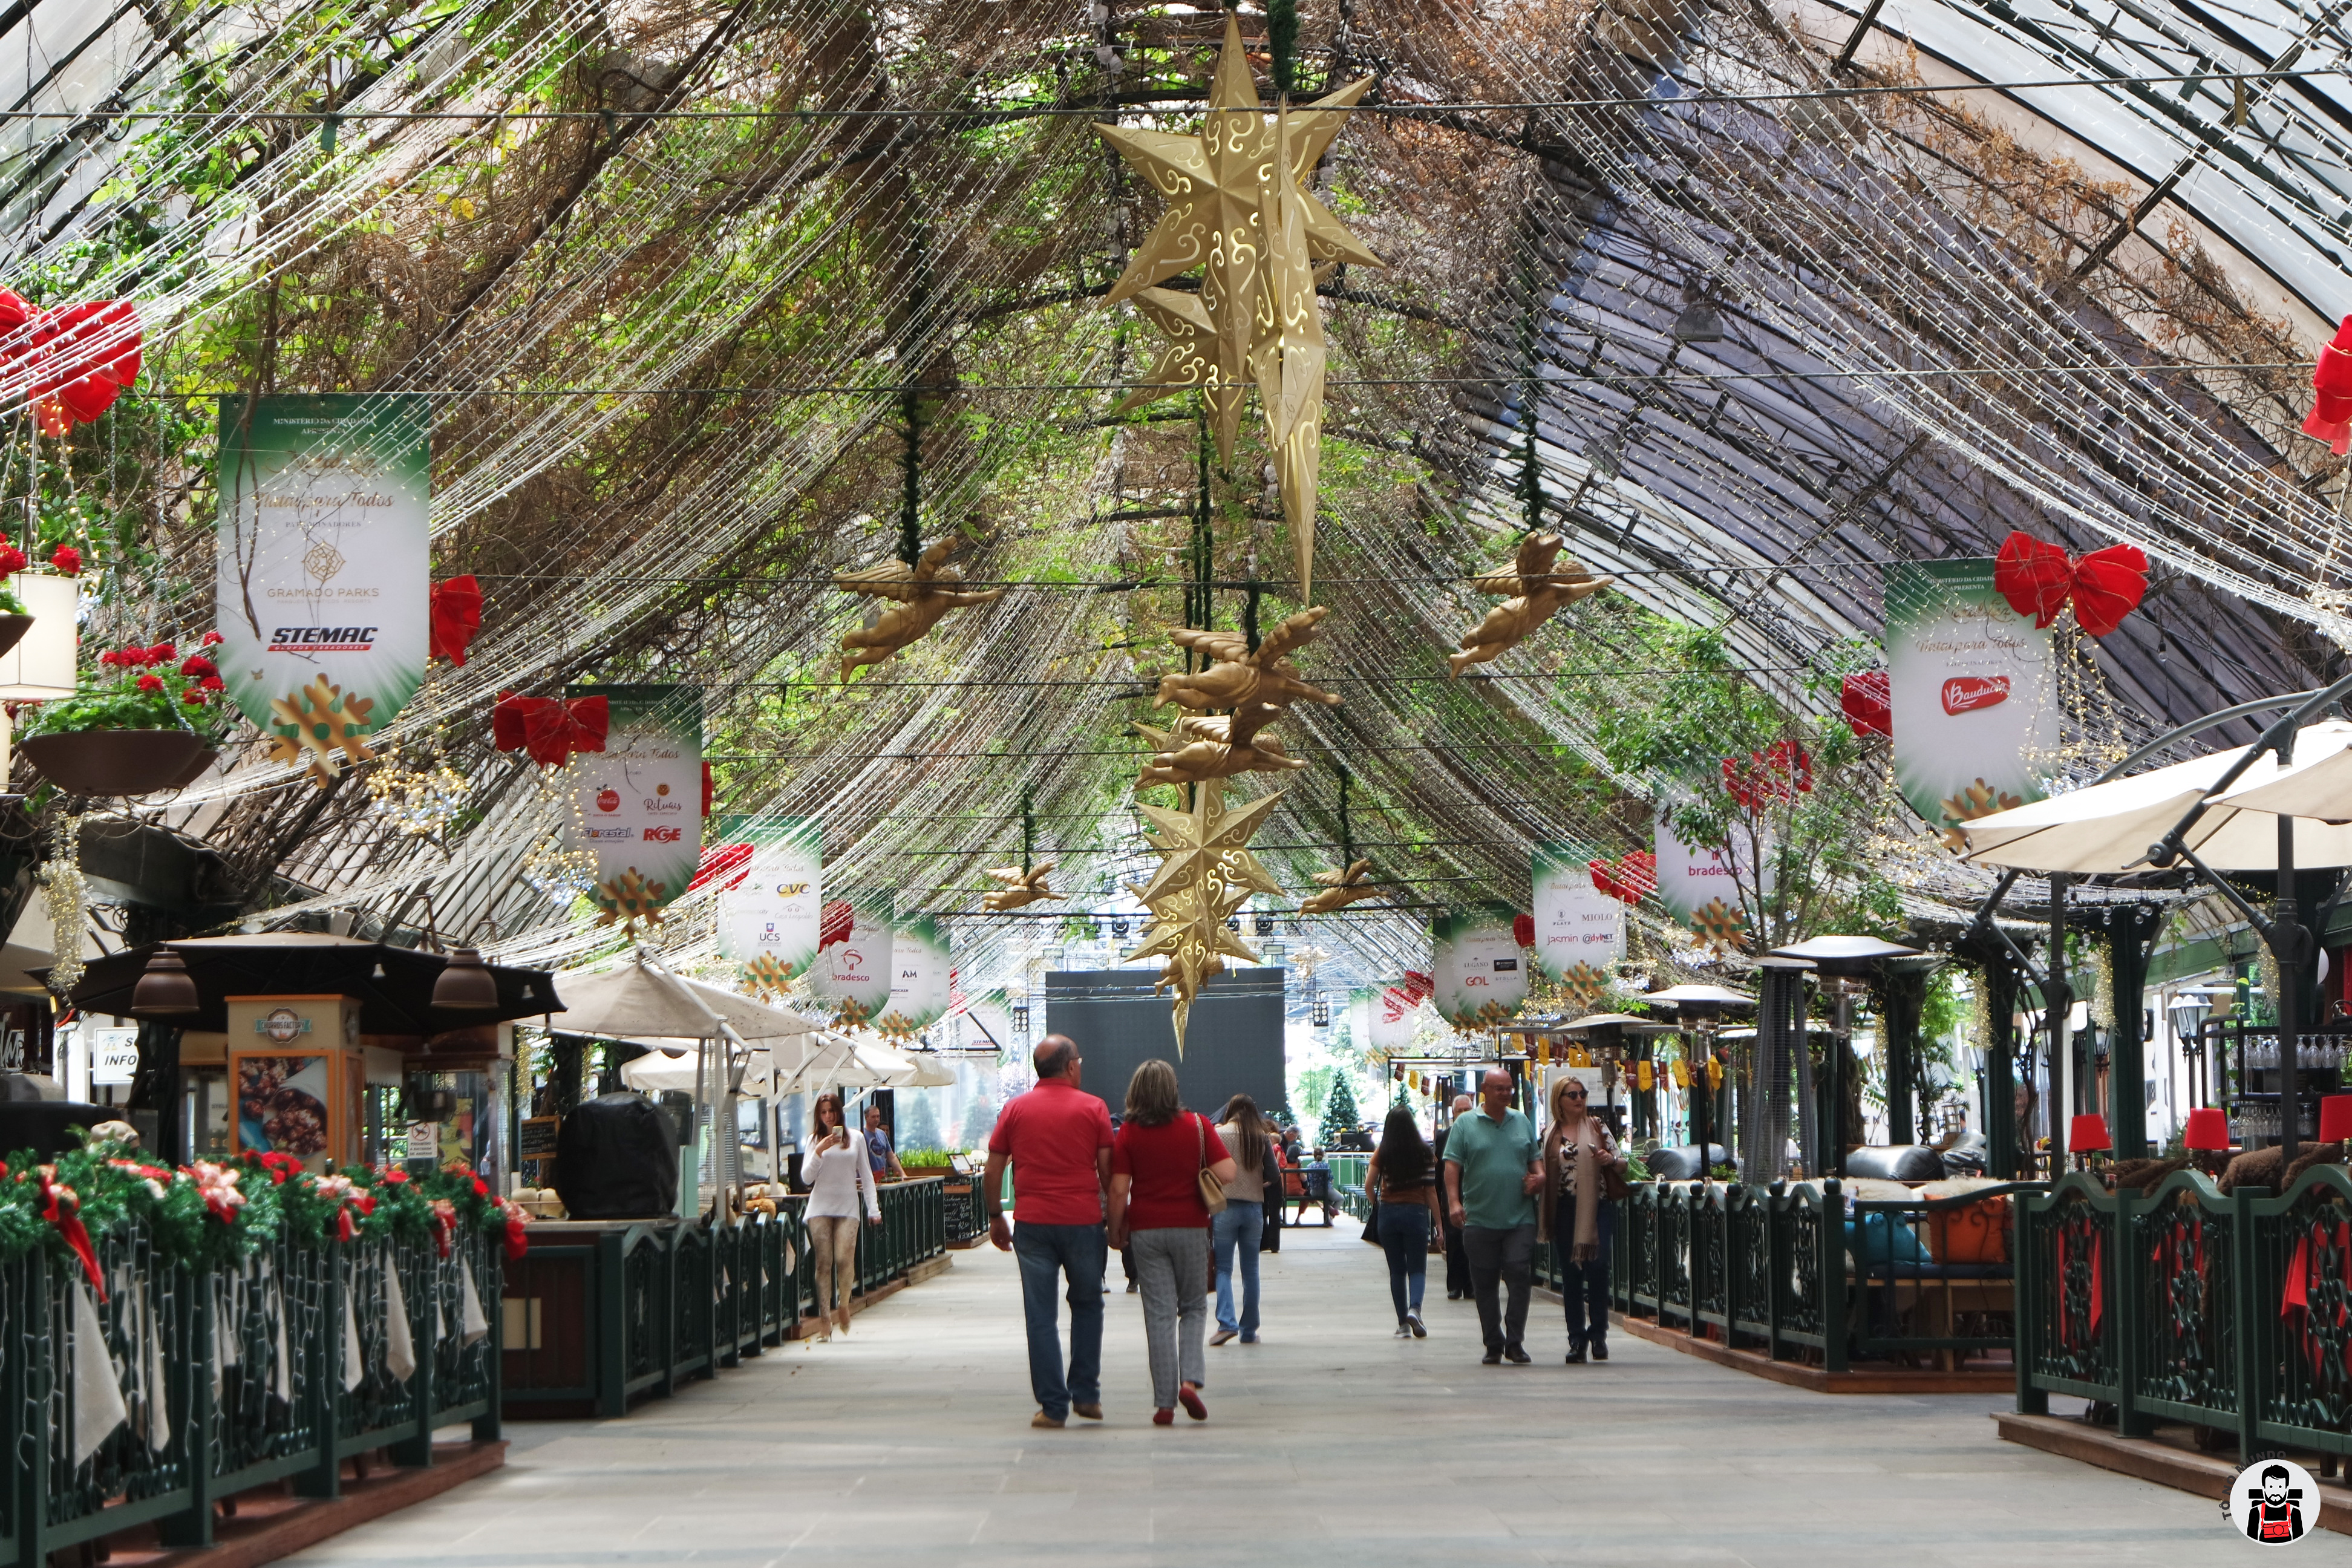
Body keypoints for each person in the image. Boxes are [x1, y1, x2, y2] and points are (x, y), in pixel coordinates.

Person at [984, 1036, 1115, 1429]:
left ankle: (1053, 1406)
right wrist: (1117, 1219)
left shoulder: (1015, 1109)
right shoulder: (1094, 1108)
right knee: (1088, 1304)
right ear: (1071, 1067)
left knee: (1040, 1315)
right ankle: (1087, 1394)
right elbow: (1108, 1173)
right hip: (1083, 1221)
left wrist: (995, 1216)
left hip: (1034, 1223)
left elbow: (993, 1171)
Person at [1107, 1059, 1235, 1425]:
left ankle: (1164, 1403)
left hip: (1147, 1231)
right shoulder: (1197, 1126)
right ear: (1173, 1089)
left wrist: (1115, 1231)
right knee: (1194, 1307)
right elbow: (1228, 1172)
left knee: (1159, 1314)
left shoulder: (1129, 1133)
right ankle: (1190, 1383)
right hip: (1192, 1227)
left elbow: (1119, 1189)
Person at [1443, 1069, 1543, 1365]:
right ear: (1485, 1089)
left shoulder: (1521, 1121)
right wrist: (1454, 1203)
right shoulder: (1465, 1124)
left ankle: (1515, 1342)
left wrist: (1540, 1179)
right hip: (1479, 1217)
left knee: (1518, 1273)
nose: (1506, 1093)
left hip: (1519, 1216)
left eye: (1509, 1088)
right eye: (1499, 1089)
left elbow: (1536, 1162)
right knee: (1484, 1283)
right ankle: (1493, 1342)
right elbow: (1452, 1167)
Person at [1541, 1074, 1622, 1363]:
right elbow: (1543, 1170)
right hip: (1565, 1208)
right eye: (1572, 1095)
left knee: (1598, 1267)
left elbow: (1621, 1162)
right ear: (1559, 1101)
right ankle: (1577, 1339)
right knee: (1571, 1274)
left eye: (1583, 1094)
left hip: (1596, 1205)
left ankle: (1598, 1333)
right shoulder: (1550, 1134)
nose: (1579, 1099)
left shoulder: (1598, 1127)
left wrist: (1609, 1160)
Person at [802, 1093, 881, 1341]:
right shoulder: (814, 1140)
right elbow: (806, 1178)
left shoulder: (856, 1138)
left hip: (847, 1206)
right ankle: (825, 1319)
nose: (828, 1116)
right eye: (823, 1112)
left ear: (839, 1113)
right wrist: (818, 1152)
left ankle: (844, 1304)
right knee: (823, 1263)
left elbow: (866, 1176)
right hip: (820, 1207)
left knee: (845, 1258)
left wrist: (874, 1209)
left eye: (832, 1111)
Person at [1209, 1093, 1280, 1345]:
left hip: (1225, 1208)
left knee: (1224, 1268)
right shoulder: (1260, 1137)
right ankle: (1249, 1330)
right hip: (1253, 1210)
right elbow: (1274, 1174)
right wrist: (1255, 1183)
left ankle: (1226, 1323)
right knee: (1251, 1271)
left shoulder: (1219, 1134)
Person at [1367, 1106, 1443, 1338]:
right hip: (1416, 1213)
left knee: (1397, 1270)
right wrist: (1440, 1224)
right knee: (1418, 1267)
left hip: (1388, 1214)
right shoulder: (1425, 1153)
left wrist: (1377, 1206)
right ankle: (1415, 1309)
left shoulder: (1383, 1152)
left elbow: (1369, 1185)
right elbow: (1430, 1191)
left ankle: (1402, 1325)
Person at [1435, 1093, 1473, 1299]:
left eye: (1468, 1110)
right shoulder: (1444, 1137)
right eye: (1461, 1111)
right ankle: (1455, 1285)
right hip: (1451, 1197)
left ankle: (1471, 1285)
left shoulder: (1479, 1133)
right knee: (1455, 1241)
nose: (1465, 1114)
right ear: (1453, 1113)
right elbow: (1440, 1170)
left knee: (1472, 1243)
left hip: (1474, 1195)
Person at [865, 1104, 906, 1181]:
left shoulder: (882, 1134)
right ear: (866, 1118)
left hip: (882, 1177)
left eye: (878, 1116)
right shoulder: (862, 1134)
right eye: (873, 1117)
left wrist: (902, 1173)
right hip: (868, 1178)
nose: (876, 1119)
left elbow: (891, 1157)